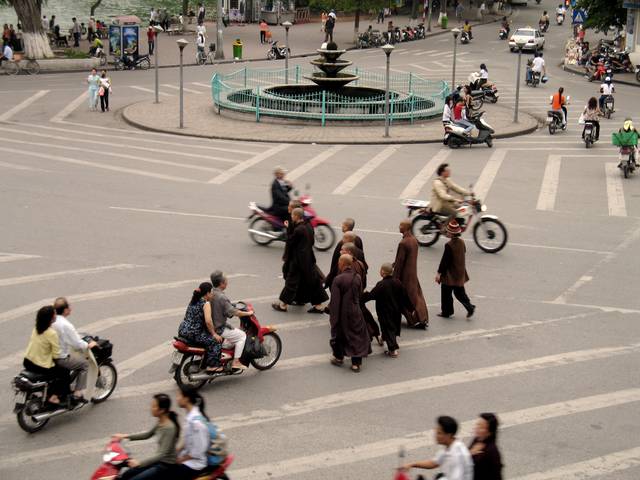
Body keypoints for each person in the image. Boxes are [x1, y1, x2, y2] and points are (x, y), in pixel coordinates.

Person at [112, 394, 180, 479]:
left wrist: (139, 463)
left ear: (162, 410)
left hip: (166, 465)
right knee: (126, 475)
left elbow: (161, 454)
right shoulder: (161, 422)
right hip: (158, 461)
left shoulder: (169, 428)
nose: (151, 408)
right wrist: (124, 436)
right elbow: (147, 435)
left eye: (154, 406)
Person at [273, 208, 329, 313]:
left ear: (296, 217)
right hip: (308, 258)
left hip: (298, 261)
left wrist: (288, 228)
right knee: (312, 282)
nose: (291, 217)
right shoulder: (309, 226)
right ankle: (318, 306)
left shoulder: (299, 230)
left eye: (292, 216)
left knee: (291, 282)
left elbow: (290, 241)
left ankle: (283, 305)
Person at [329, 254, 371, 372]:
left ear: (342, 264)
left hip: (343, 313)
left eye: (339, 262)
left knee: (338, 334)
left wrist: (334, 318)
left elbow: (335, 301)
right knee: (357, 335)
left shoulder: (338, 279)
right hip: (355, 310)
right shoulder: (357, 277)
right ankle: (356, 364)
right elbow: (359, 294)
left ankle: (338, 357)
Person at [362, 263, 413, 358]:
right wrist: (411, 308)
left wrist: (361, 298)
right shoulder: (398, 282)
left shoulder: (381, 284)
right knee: (392, 327)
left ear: (383, 272)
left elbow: (372, 295)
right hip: (396, 311)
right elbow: (405, 296)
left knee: (388, 328)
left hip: (385, 311)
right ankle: (383, 338)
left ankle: (393, 350)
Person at [23, 306, 71, 407]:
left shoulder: (36, 328)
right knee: (65, 373)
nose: (55, 316)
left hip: (28, 361)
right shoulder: (51, 333)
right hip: (41, 366)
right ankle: (54, 397)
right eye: (54, 314)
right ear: (50, 318)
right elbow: (56, 354)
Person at [52, 298, 97, 403]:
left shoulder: (52, 321)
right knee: (84, 365)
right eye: (69, 307)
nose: (71, 308)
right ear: (65, 310)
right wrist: (89, 344)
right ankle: (77, 392)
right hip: (60, 358)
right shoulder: (66, 325)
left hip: (50, 355)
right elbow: (77, 344)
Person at [401, 416, 474, 480]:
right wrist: (412, 464)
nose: (435, 435)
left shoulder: (457, 455)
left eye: (439, 433)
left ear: (448, 435)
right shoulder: (449, 446)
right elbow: (433, 463)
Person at [163, 387, 211, 479]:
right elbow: (187, 440)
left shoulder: (196, 422)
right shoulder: (190, 416)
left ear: (186, 398)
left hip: (194, 464)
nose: (177, 398)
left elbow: (198, 450)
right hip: (187, 458)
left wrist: (181, 459)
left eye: (178, 396)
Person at [210, 271, 252, 370]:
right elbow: (234, 312)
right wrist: (248, 313)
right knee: (242, 336)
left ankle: (227, 351)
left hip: (211, 326)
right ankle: (236, 362)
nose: (227, 281)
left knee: (233, 331)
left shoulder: (211, 293)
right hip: (219, 328)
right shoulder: (222, 297)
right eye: (226, 280)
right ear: (222, 284)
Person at [179, 282, 223, 372]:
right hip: (194, 334)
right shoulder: (205, 303)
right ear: (207, 293)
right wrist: (214, 334)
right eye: (211, 292)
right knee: (216, 341)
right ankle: (213, 366)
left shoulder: (193, 300)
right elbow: (208, 321)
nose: (212, 294)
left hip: (183, 330)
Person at [435, 220, 476, 319]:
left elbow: (445, 262)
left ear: (451, 234)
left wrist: (439, 273)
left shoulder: (449, 245)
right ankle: (469, 307)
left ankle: (447, 311)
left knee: (446, 292)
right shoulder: (461, 242)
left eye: (448, 232)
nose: (447, 233)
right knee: (460, 292)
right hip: (460, 271)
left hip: (450, 274)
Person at [393, 219, 428, 329]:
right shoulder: (413, 240)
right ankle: (422, 317)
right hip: (412, 273)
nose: (399, 227)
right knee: (416, 296)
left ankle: (414, 319)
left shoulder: (403, 243)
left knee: (404, 298)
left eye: (401, 225)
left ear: (406, 228)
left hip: (405, 275)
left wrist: (394, 278)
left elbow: (400, 262)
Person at [324, 218, 364, 289]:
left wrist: (330, 278)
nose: (341, 226)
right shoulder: (358, 240)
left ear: (346, 227)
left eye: (343, 225)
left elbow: (335, 262)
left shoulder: (342, 244)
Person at [469, 413, 503, 480]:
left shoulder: (492, 451)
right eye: (477, 424)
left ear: (489, 432)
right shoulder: (477, 439)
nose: (477, 428)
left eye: (481, 427)